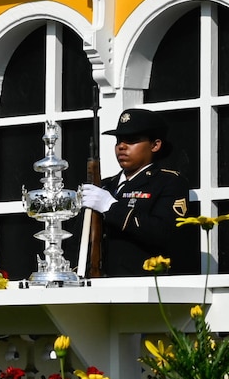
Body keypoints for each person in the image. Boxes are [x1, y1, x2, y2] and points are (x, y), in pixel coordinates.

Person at [83, 106, 201, 276]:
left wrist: (111, 208)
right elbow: (81, 240)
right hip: (100, 284)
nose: (121, 147)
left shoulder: (169, 182)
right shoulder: (105, 186)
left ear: (155, 145)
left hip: (143, 284)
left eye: (131, 140)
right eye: (119, 141)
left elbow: (162, 232)